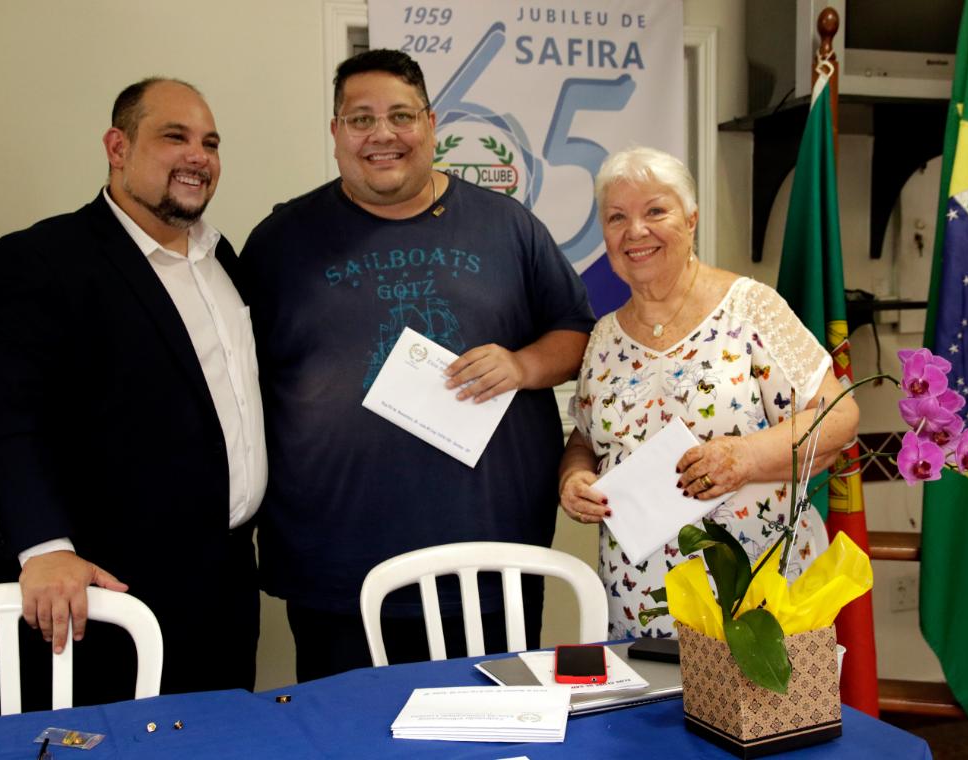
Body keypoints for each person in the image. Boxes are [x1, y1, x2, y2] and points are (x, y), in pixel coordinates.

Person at [238, 49, 594, 681]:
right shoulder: (279, 242)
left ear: (430, 124)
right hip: (336, 568)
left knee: (492, 727)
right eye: (361, 119)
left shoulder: (507, 227)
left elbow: (576, 333)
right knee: (346, 730)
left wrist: (522, 364)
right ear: (336, 132)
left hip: (488, 563)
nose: (382, 134)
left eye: (401, 116)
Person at [0, 77, 266, 705]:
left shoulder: (222, 259)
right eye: (175, 137)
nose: (198, 156)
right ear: (118, 147)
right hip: (108, 595)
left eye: (210, 143)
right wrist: (46, 548)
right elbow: (7, 420)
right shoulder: (43, 259)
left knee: (221, 743)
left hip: (227, 585)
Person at [558, 147, 859, 640]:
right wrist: (573, 479)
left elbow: (838, 416)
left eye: (656, 210)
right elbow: (586, 440)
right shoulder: (604, 336)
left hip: (754, 605)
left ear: (691, 219)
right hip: (638, 606)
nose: (636, 231)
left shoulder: (751, 308)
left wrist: (744, 457)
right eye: (617, 217)